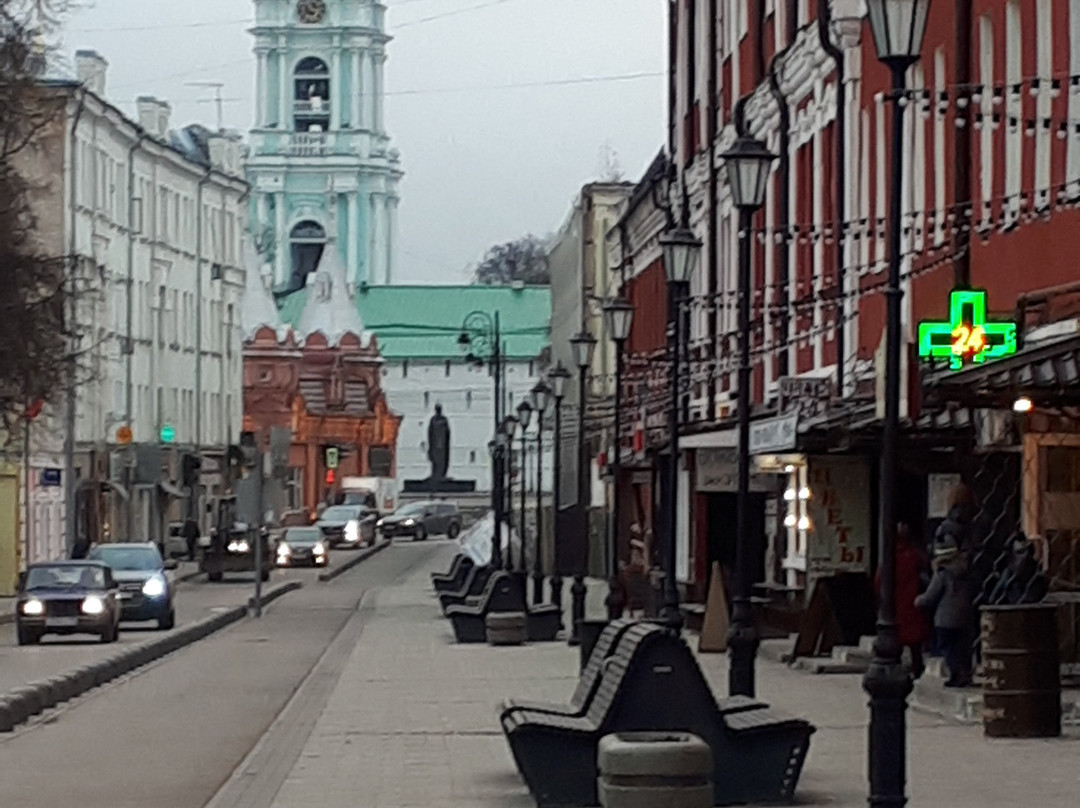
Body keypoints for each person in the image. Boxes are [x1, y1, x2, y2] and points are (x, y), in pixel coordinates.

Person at [916, 543, 978, 687]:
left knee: (948, 646)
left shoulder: (943, 573)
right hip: (966, 614)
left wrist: (919, 601)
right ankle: (967, 674)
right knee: (964, 648)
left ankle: (957, 674)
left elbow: (932, 594)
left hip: (946, 617)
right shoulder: (967, 571)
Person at [876, 521, 931, 678]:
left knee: (895, 637)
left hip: (894, 604)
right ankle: (917, 667)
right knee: (915, 641)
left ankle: (894, 667)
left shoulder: (890, 557)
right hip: (913, 602)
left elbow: (879, 581)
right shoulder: (915, 556)